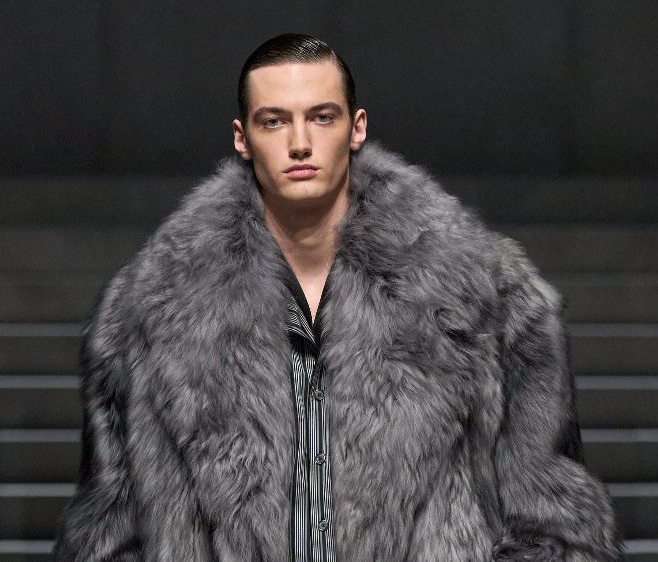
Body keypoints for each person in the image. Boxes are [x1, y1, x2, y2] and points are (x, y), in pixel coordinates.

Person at [54, 33, 621, 562]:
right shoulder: (147, 309)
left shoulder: (490, 296)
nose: (300, 143)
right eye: (274, 121)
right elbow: (108, 533)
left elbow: (555, 527)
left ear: (356, 127)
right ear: (242, 138)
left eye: (321, 117)